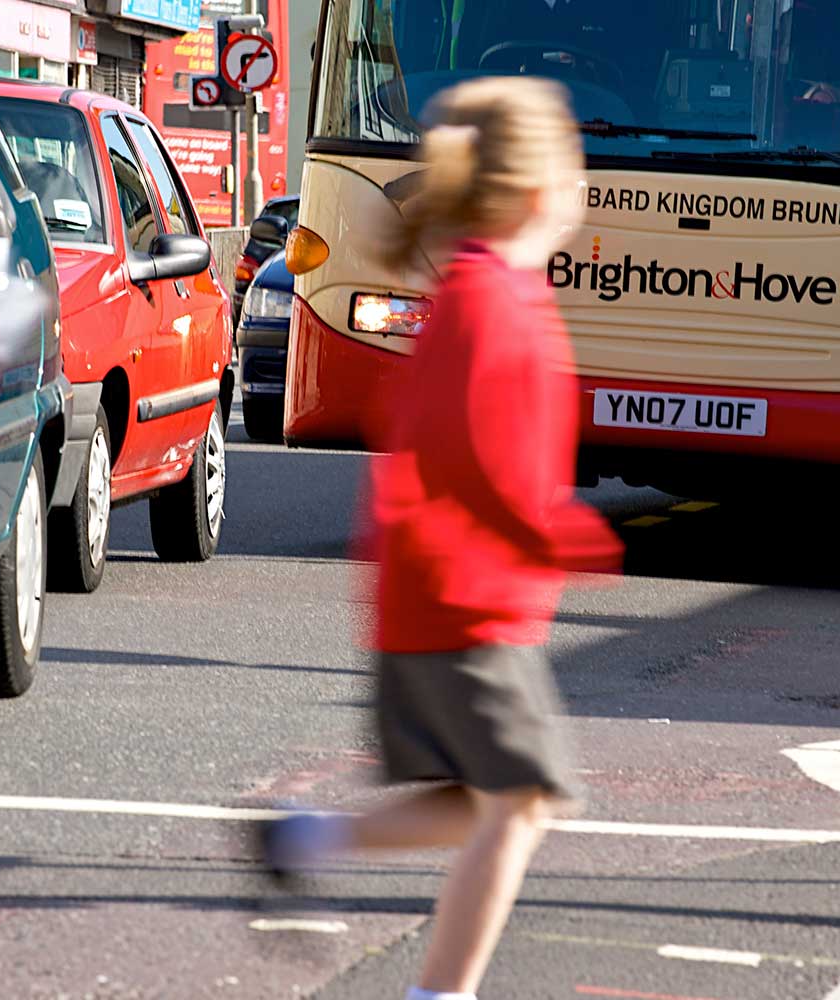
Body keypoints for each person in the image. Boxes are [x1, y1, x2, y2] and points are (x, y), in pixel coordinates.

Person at [258, 76, 623, 1000]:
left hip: (437, 591)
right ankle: (440, 993)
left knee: (471, 801)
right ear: (543, 190)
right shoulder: (496, 303)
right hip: (469, 597)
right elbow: (477, 459)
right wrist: (562, 536)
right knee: (522, 802)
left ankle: (307, 837)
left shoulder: (471, 292)